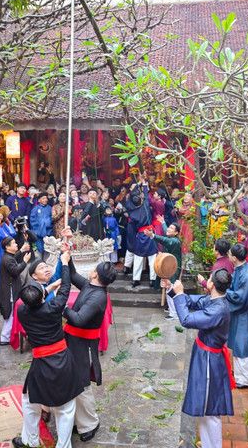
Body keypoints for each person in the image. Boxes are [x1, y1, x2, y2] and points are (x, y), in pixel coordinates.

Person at [12, 250, 83, 448]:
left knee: (30, 402)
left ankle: (30, 440)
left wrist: (48, 287)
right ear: (43, 296)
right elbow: (66, 287)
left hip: (40, 363)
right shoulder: (53, 309)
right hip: (61, 360)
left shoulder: (22, 311)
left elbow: (37, 298)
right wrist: (65, 263)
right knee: (65, 407)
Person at [164, 269, 233, 448]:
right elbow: (189, 301)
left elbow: (187, 319)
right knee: (205, 404)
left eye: (209, 278)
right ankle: (208, 442)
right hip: (205, 355)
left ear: (212, 284)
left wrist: (179, 295)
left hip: (210, 360)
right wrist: (172, 289)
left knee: (210, 407)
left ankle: (213, 445)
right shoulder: (215, 300)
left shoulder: (218, 309)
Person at [63, 256, 117, 442]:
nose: (91, 270)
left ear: (95, 274)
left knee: (82, 385)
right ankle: (75, 419)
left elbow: (78, 319)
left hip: (83, 344)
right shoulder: (89, 286)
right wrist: (67, 256)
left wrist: (63, 306)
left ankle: (90, 423)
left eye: (94, 268)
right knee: (70, 380)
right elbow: (72, 274)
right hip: (71, 340)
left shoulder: (98, 297)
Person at [225, 243, 248, 388]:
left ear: (234, 258)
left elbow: (240, 297)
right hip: (240, 313)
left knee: (242, 345)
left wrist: (225, 291)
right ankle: (240, 376)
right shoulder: (242, 268)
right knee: (238, 344)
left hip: (245, 314)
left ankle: (247, 379)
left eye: (230, 253)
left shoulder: (246, 274)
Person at [124, 179, 158, 288]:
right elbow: (146, 195)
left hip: (140, 235)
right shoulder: (146, 207)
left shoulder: (131, 212)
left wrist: (138, 184)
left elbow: (131, 196)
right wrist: (143, 184)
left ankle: (135, 279)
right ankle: (152, 279)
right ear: (141, 201)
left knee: (138, 258)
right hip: (150, 234)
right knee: (152, 258)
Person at [0, 236, 31, 346]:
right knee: (11, 314)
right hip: (9, 291)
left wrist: (21, 251)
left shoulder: (8, 257)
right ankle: (5, 337)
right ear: (7, 247)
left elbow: (13, 258)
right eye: (13, 243)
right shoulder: (8, 259)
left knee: (11, 314)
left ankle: (7, 336)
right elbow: (15, 271)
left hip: (9, 289)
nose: (16, 244)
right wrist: (25, 261)